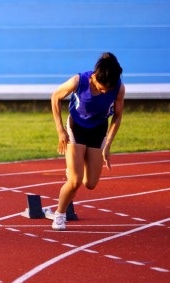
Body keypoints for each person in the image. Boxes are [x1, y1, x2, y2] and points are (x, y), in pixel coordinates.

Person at [50, 52, 124, 231]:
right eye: (102, 88)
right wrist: (60, 130)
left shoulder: (118, 88)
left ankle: (74, 166)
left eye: (109, 89)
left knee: (90, 184)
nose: (106, 91)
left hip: (98, 129)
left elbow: (118, 116)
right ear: (94, 78)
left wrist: (108, 145)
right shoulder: (79, 81)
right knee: (75, 181)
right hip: (77, 127)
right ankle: (59, 216)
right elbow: (55, 97)